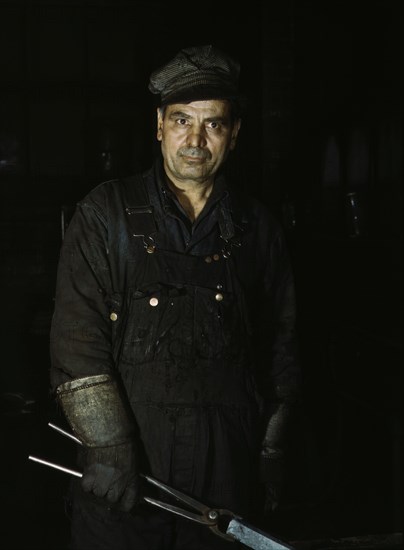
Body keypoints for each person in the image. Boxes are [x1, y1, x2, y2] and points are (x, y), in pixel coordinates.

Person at [49, 44, 301, 550]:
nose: (196, 140)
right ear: (159, 125)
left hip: (227, 467)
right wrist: (109, 446)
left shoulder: (257, 229)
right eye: (183, 120)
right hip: (129, 466)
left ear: (234, 135)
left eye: (214, 124)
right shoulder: (105, 214)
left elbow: (282, 347)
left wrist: (271, 454)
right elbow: (78, 338)